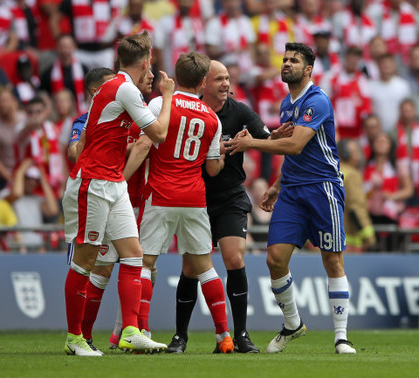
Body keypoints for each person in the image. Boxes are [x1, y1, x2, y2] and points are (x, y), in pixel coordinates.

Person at [231, 42, 357, 354]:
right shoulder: (287, 104)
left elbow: (296, 145)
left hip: (323, 188)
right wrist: (276, 185)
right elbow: (294, 156)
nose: (287, 63)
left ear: (309, 69)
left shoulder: (317, 100)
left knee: (332, 259)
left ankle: (341, 337)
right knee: (274, 259)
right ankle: (292, 324)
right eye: (285, 59)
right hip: (292, 191)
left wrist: (254, 143)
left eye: (294, 60)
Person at [163, 59, 291, 354]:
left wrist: (271, 138)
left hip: (232, 196)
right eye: (219, 79)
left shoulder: (241, 111)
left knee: (234, 259)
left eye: (227, 79)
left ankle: (242, 335)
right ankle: (180, 336)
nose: (226, 84)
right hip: (196, 198)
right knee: (190, 267)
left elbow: (266, 139)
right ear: (203, 84)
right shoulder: (192, 110)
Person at [61, 31, 174, 356]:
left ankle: (130, 331)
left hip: (112, 181)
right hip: (93, 182)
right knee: (85, 261)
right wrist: (167, 95)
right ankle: (74, 338)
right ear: (145, 61)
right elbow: (160, 134)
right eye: (151, 62)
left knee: (133, 255)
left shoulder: (116, 89)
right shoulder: (124, 88)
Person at [124, 52, 234, 353]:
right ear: (202, 82)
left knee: (145, 262)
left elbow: (147, 141)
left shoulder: (160, 104)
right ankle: (224, 335)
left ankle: (142, 329)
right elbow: (212, 169)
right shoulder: (212, 117)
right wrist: (223, 154)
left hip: (160, 194)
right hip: (195, 198)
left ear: (175, 75)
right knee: (206, 268)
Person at [337, 139, 376, 252]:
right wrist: (370, 238)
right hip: (348, 242)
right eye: (356, 153)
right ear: (346, 154)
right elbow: (357, 207)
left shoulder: (329, 171)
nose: (359, 157)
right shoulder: (352, 175)